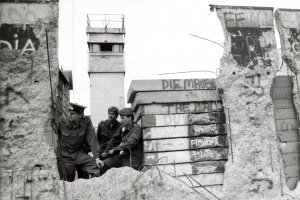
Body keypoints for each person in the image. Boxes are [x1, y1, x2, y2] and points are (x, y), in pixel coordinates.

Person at [52, 103, 102, 182]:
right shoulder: (62, 122)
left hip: (78, 154)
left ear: (80, 115)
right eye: (69, 113)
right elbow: (54, 129)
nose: (70, 115)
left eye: (72, 114)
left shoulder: (86, 122)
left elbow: (92, 140)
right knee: (67, 180)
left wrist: (97, 158)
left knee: (95, 167)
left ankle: (93, 189)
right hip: (64, 156)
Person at [99, 108, 143, 174]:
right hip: (124, 155)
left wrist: (114, 149)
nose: (121, 120)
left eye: (123, 118)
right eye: (121, 118)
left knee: (128, 175)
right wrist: (106, 152)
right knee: (104, 163)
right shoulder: (123, 127)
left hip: (133, 158)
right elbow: (115, 139)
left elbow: (129, 144)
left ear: (130, 118)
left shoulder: (136, 129)